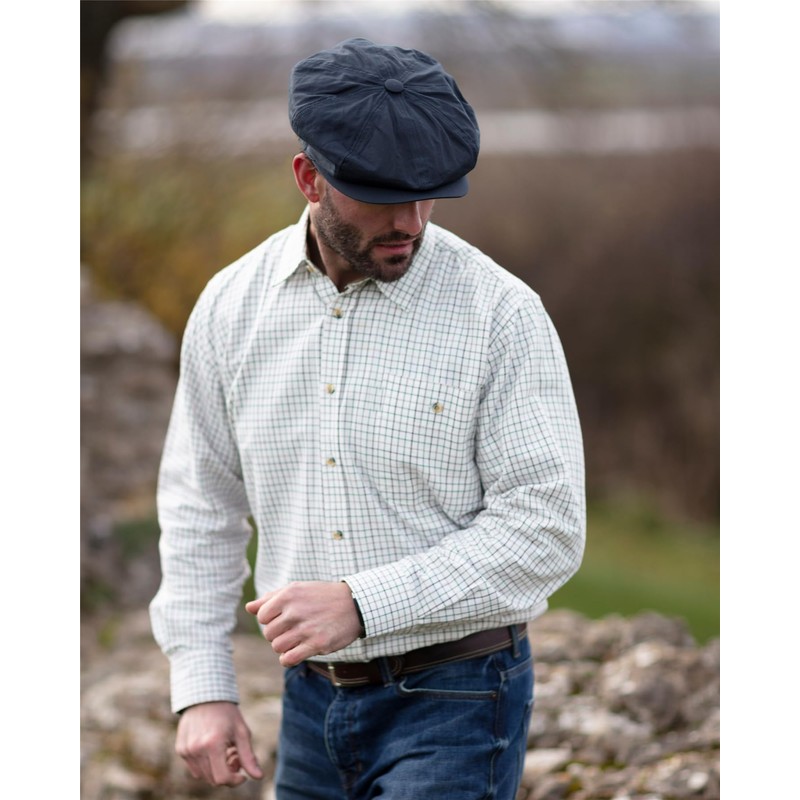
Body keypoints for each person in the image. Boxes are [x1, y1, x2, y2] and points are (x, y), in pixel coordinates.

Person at [150, 37, 586, 799]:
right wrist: (203, 686)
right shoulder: (230, 307)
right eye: (382, 196)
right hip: (308, 701)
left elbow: (546, 525)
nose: (410, 222)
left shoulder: (501, 315)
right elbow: (201, 505)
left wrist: (363, 604)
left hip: (458, 698)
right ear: (308, 178)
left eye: (430, 195)